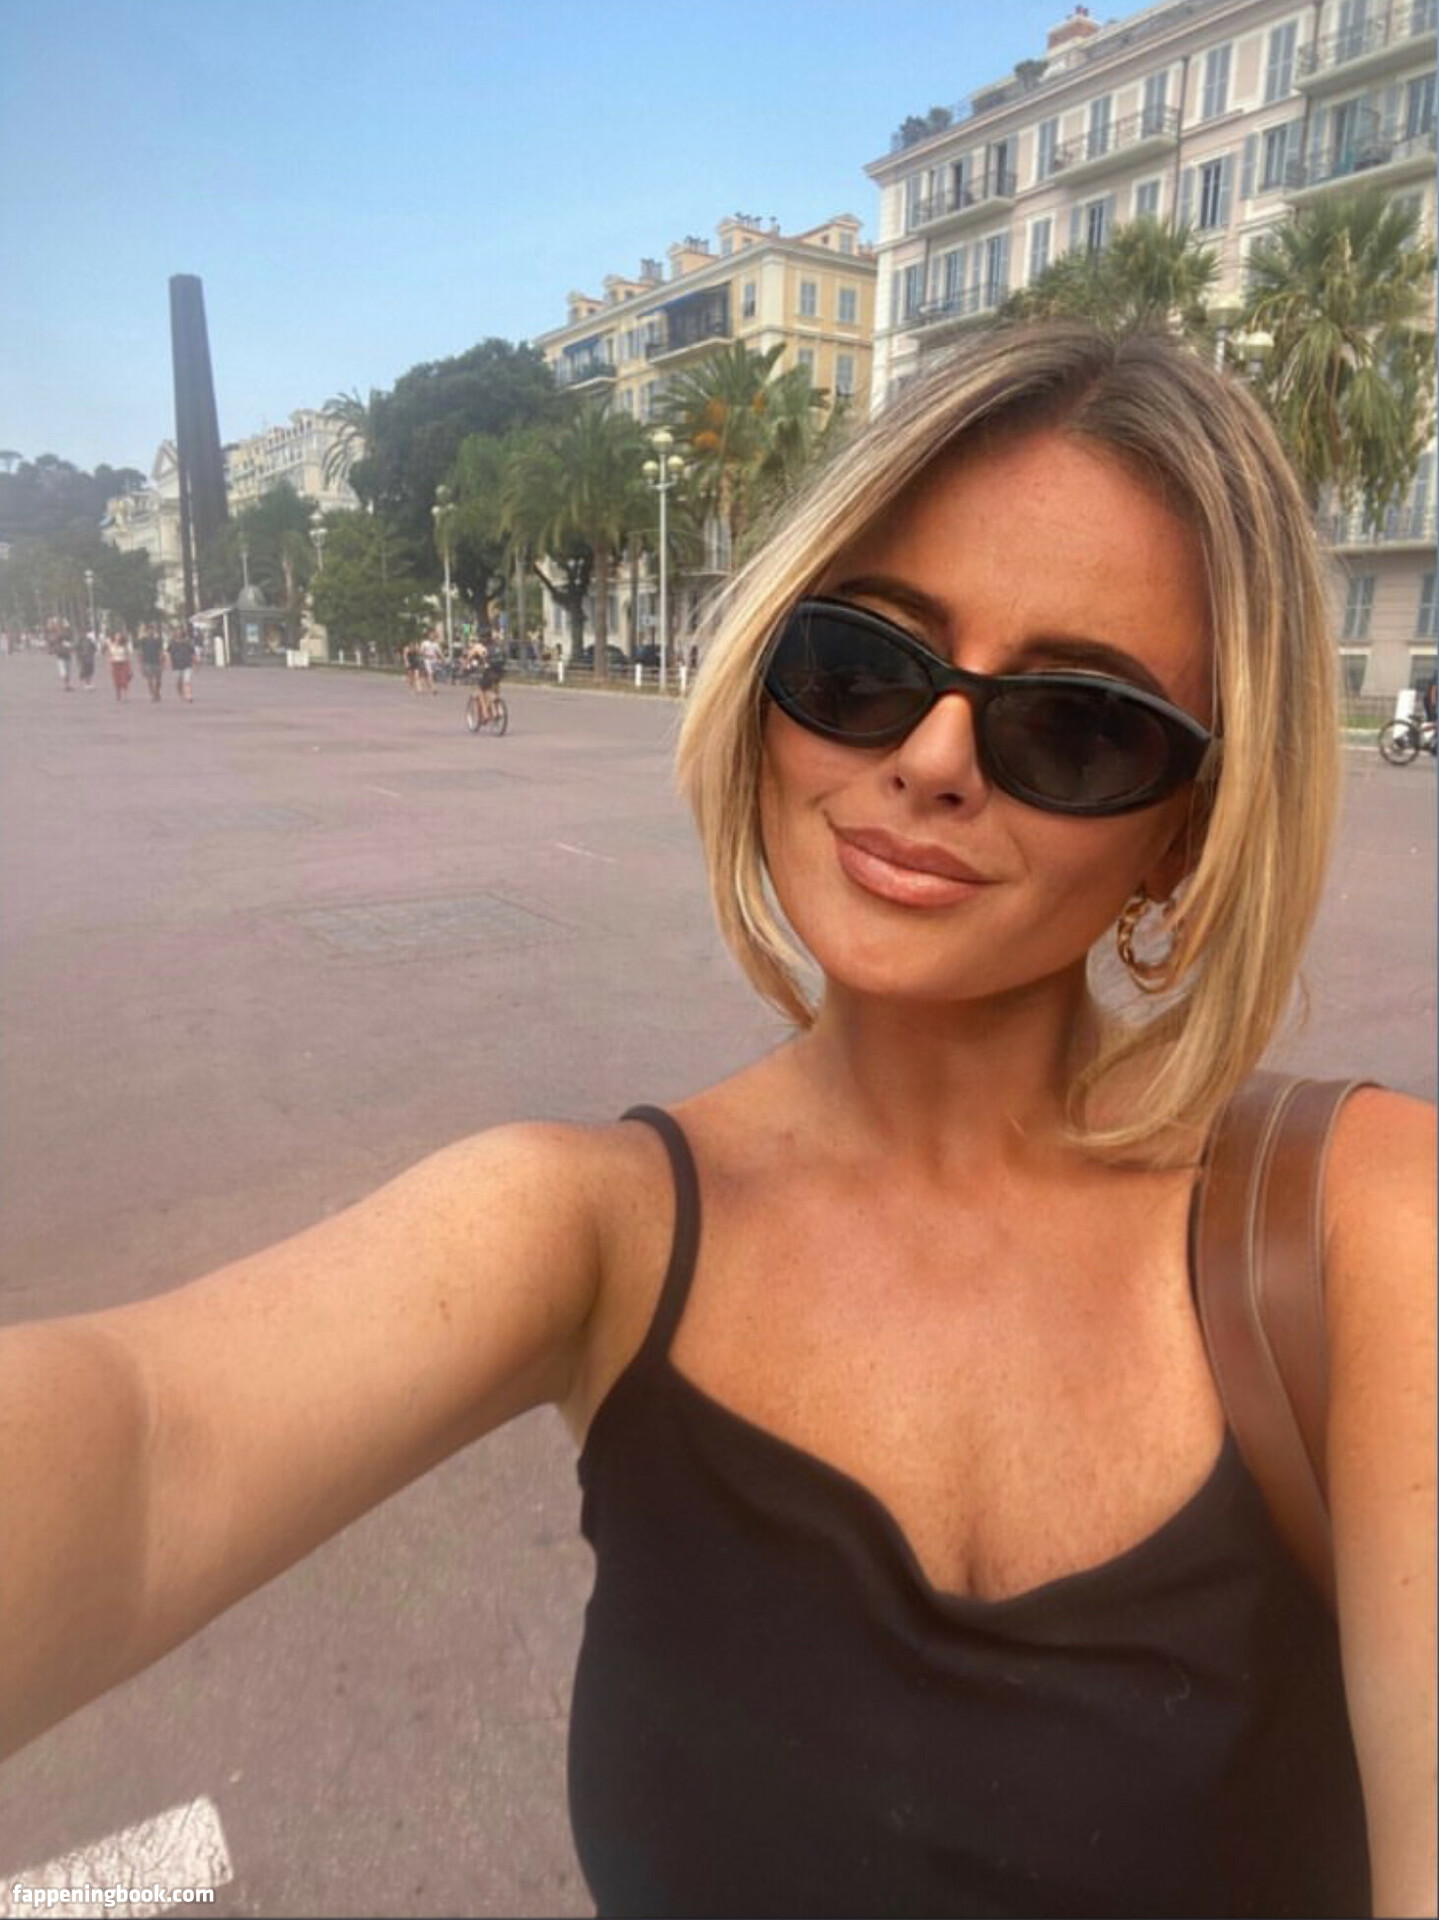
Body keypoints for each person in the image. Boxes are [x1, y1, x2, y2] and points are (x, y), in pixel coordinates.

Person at [1, 325, 1433, 1919]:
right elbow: (146, 1448)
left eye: (1074, 725)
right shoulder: (586, 1230)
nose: (932, 759)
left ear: (1183, 830)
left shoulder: (1365, 1234)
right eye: (861, 665)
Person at [166, 628, 197, 703]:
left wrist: (195, 662)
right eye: (177, 633)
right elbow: (168, 653)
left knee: (187, 681)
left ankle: (189, 696)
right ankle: (181, 694)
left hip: (187, 664)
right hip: (176, 665)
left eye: (180, 633)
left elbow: (192, 653)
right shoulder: (172, 643)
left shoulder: (188, 642)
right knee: (178, 682)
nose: (179, 634)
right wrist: (169, 662)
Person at [136, 626, 165, 702]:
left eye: (152, 630)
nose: (150, 632)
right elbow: (140, 652)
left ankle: (157, 691)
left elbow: (161, 651)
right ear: (146, 632)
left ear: (154, 631)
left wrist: (162, 661)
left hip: (157, 662)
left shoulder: (158, 640)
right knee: (150, 680)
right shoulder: (143, 640)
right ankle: (153, 694)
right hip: (147, 662)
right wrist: (141, 663)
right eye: (149, 630)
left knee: (158, 680)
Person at [104, 629, 133, 702]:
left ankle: (125, 696)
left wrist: (129, 667)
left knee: (124, 680)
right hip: (115, 664)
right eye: (116, 636)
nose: (117, 637)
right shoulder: (111, 645)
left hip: (123, 663)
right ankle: (118, 695)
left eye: (119, 636)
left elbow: (128, 656)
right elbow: (109, 656)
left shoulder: (124, 646)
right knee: (116, 680)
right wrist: (109, 665)